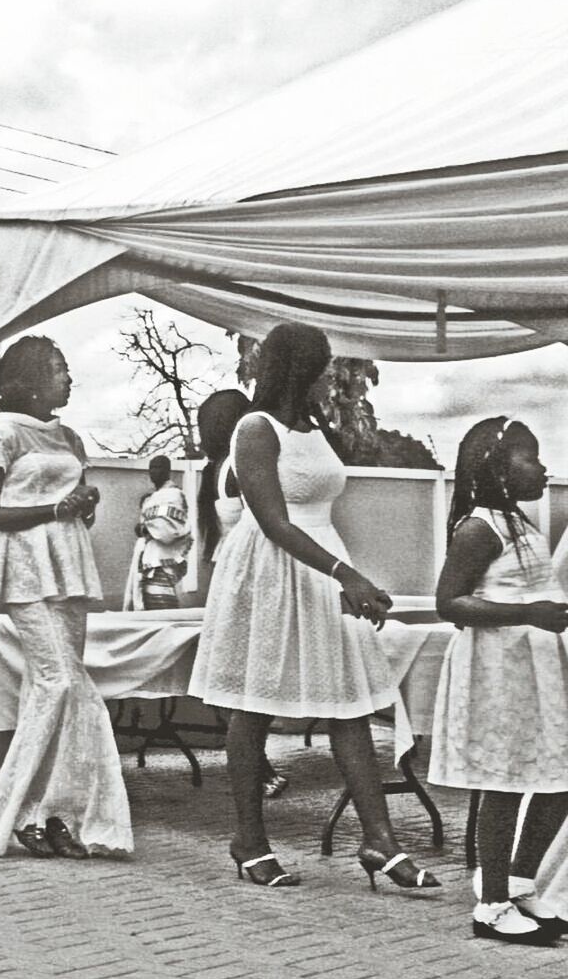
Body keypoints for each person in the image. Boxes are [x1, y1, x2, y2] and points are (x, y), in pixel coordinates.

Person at [189, 323, 437, 890]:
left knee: (347, 702)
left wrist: (342, 572)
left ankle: (381, 841)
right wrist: (344, 572)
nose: (331, 374)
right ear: (300, 369)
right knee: (251, 707)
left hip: (323, 564)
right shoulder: (254, 429)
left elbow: (316, 506)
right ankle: (249, 840)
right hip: (271, 571)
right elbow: (274, 521)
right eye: (324, 364)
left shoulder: (313, 427)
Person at [0, 336, 132, 859]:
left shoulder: (70, 439)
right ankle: (12, 811)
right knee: (58, 683)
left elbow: (76, 508)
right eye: (59, 369)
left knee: (62, 692)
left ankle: (52, 811)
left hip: (68, 564)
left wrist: (84, 506)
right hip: (23, 567)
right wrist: (54, 511)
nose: (68, 379)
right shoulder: (4, 434)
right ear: (31, 379)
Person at [430, 418, 568, 945]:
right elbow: (450, 602)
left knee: (556, 779)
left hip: (535, 671)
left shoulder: (521, 526)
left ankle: (517, 882)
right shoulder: (479, 528)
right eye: (530, 457)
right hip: (498, 670)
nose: (543, 467)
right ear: (497, 467)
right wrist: (528, 612)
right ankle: (490, 905)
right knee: (504, 785)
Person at [195, 388, 290, 799]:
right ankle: (258, 768)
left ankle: (258, 766)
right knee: (254, 687)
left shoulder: (214, 469)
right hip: (255, 577)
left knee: (244, 688)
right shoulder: (239, 464)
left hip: (233, 575)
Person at [122, 455, 192, 610]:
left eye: (158, 468)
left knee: (161, 598)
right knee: (147, 600)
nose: (154, 472)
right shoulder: (152, 497)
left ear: (168, 470)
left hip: (162, 557)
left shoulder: (173, 495)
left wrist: (144, 528)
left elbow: (169, 530)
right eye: (151, 468)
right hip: (148, 555)